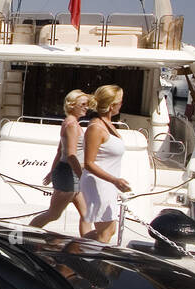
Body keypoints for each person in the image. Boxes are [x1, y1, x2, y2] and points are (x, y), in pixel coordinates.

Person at [29, 90, 91, 236]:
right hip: (70, 173)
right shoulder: (72, 125)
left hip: (70, 172)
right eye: (83, 104)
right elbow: (70, 155)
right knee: (54, 214)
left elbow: (59, 151)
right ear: (72, 105)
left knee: (87, 215)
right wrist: (82, 176)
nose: (86, 107)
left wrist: (52, 172)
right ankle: (25, 236)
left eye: (87, 104)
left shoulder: (71, 122)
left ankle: (88, 246)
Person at [80, 84, 131, 243]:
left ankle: (76, 249)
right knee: (105, 232)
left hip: (107, 184)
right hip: (98, 184)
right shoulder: (96, 127)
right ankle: (90, 262)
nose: (122, 105)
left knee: (109, 230)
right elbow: (88, 163)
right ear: (112, 106)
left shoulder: (107, 124)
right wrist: (115, 180)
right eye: (120, 102)